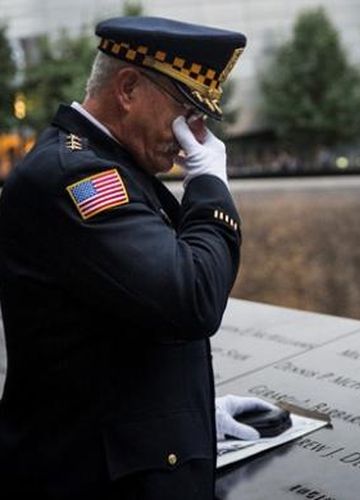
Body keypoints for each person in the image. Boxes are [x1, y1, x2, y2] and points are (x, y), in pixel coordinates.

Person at [0, 16, 277, 499]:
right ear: (127, 88)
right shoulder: (77, 178)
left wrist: (188, 412)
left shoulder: (106, 165)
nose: (195, 134)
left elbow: (114, 324)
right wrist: (209, 187)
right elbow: (190, 296)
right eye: (187, 111)